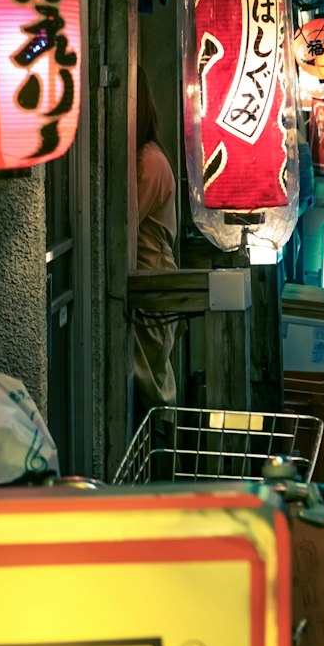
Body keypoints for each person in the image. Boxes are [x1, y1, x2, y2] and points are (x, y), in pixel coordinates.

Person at [133, 76, 180, 408]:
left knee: (152, 394)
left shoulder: (147, 162)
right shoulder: (148, 156)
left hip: (152, 282)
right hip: (151, 284)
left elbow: (125, 225)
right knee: (154, 387)